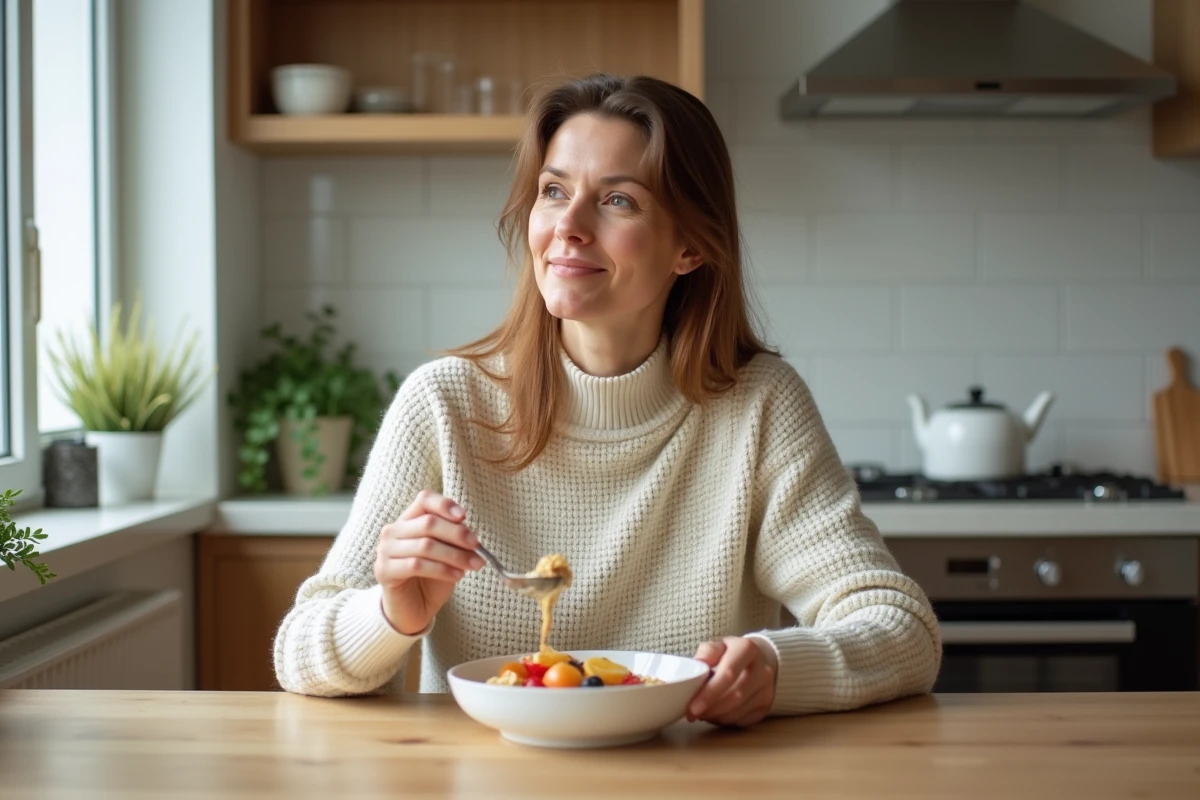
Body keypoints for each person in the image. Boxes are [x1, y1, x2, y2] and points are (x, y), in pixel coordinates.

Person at [274, 73, 941, 726]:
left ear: (688, 246)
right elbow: (298, 654)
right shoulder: (444, 404)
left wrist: (775, 668)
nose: (568, 226)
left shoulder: (758, 408)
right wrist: (393, 614)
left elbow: (903, 631)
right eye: (554, 191)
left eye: (617, 200)